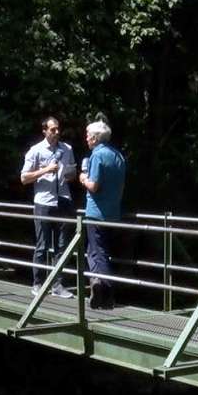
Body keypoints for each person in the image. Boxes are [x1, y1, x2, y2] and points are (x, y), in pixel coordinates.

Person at [20, 117, 77, 298]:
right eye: (53, 129)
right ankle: (37, 284)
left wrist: (70, 174)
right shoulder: (35, 150)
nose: (57, 132)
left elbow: (72, 173)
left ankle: (57, 285)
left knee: (61, 246)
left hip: (63, 201)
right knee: (42, 245)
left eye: (58, 129)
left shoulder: (67, 149)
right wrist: (45, 170)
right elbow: (24, 178)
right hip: (43, 202)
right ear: (44, 131)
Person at [79, 120, 126, 309]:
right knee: (99, 251)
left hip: (96, 212)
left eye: (88, 135)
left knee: (97, 252)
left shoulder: (97, 155)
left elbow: (94, 185)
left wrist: (83, 179)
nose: (86, 138)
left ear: (95, 138)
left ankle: (105, 292)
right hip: (113, 212)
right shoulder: (118, 156)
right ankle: (98, 285)